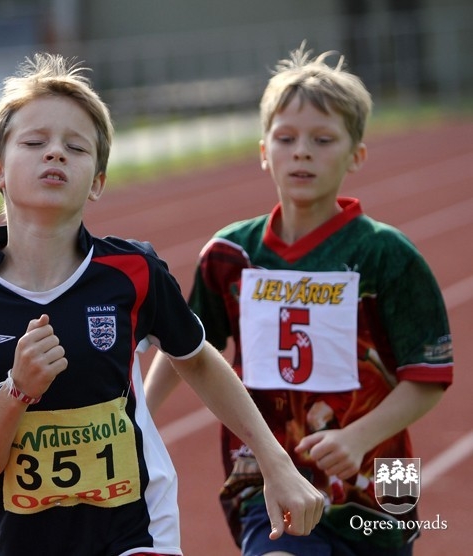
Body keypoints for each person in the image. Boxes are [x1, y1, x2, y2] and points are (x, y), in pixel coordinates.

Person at [0, 52, 323, 556]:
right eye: (35, 142)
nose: (55, 154)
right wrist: (16, 393)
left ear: (99, 182)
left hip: (138, 533)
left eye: (76, 147)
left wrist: (275, 462)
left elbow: (196, 357)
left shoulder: (132, 272)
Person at [144, 42, 453, 556]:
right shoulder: (229, 254)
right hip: (267, 469)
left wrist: (357, 439)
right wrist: (140, 418)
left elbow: (429, 377)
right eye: (285, 138)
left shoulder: (387, 255)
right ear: (264, 151)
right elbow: (187, 347)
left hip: (382, 478)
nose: (301, 151)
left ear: (356, 155)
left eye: (322, 139)